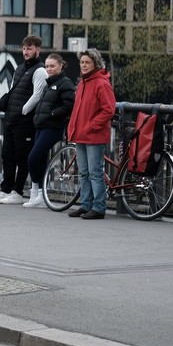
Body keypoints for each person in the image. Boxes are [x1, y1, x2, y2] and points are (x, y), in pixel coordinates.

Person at [0, 35, 48, 205]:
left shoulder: (40, 70)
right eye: (24, 48)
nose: (26, 52)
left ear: (38, 49)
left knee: (22, 157)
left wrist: (23, 111)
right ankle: (6, 189)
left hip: (24, 121)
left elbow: (37, 95)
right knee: (7, 155)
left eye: (29, 48)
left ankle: (17, 191)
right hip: (11, 119)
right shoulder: (20, 68)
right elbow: (14, 89)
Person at [66, 49, 116, 220]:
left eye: (87, 62)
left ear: (95, 63)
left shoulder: (101, 83)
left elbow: (109, 109)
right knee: (84, 172)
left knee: (95, 172)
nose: (84, 65)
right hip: (82, 134)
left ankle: (99, 207)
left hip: (93, 134)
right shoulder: (82, 83)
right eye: (82, 62)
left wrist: (92, 126)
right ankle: (86, 205)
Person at [23, 53, 76, 208]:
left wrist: (52, 114)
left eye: (52, 66)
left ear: (60, 65)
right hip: (42, 125)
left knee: (32, 158)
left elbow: (68, 105)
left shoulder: (65, 83)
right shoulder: (49, 83)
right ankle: (39, 195)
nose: (49, 69)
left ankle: (37, 192)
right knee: (40, 159)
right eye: (47, 66)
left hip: (52, 127)